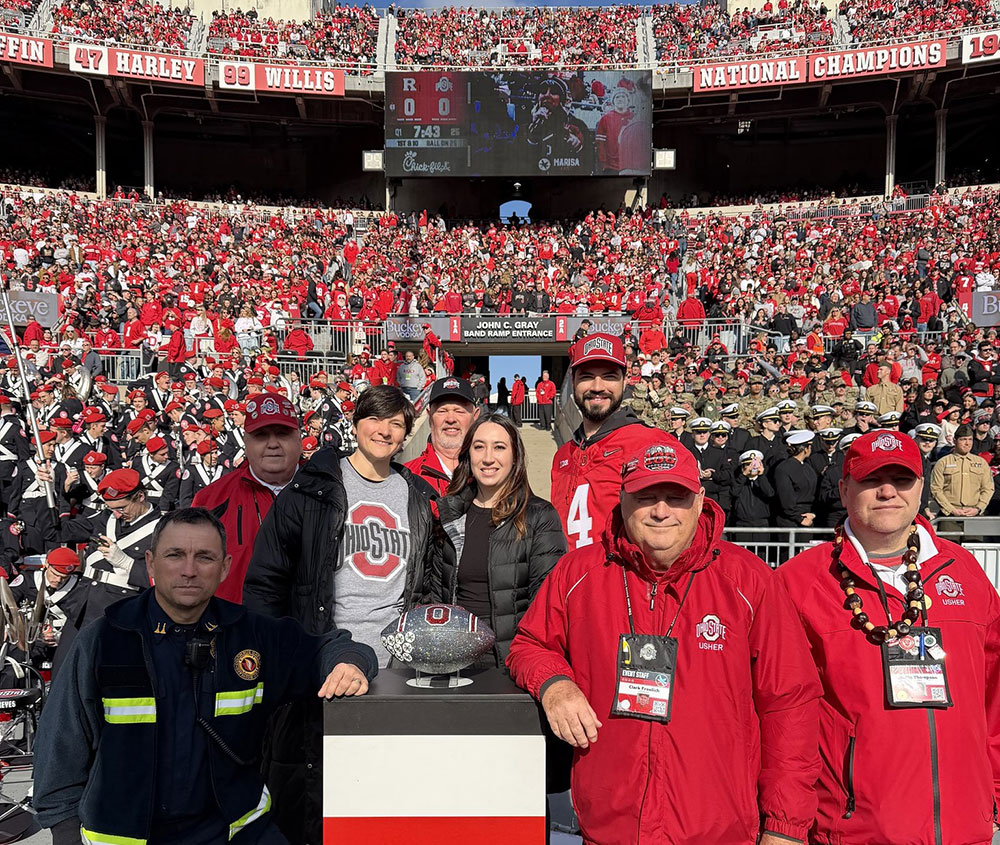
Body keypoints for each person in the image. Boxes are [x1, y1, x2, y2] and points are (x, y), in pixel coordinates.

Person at [507, 441, 821, 844]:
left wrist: (786, 828)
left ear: (700, 500)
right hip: (609, 828)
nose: (660, 511)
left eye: (676, 497)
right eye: (645, 497)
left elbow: (790, 703)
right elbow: (530, 645)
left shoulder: (749, 580)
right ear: (621, 499)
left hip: (718, 830)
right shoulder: (578, 573)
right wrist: (555, 685)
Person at [34, 508, 378, 845]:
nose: (189, 570)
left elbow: (333, 649)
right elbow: (60, 747)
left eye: (205, 558)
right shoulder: (104, 639)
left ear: (225, 568)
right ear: (150, 563)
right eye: (175, 555)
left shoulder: (252, 635)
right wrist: (65, 832)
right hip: (125, 836)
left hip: (237, 831)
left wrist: (348, 663)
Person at [773, 430, 1000, 845]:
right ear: (844, 489)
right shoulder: (798, 583)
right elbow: (783, 717)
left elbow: (996, 697)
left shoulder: (964, 571)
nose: (887, 492)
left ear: (921, 488)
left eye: (901, 479)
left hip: (967, 826)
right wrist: (783, 825)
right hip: (855, 830)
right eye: (871, 480)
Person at [244, 385, 439, 845]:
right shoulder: (310, 489)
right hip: (321, 663)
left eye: (396, 424)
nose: (385, 431)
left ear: (407, 434)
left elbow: (426, 580)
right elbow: (265, 584)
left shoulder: (416, 495)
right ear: (355, 423)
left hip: (395, 667)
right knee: (317, 799)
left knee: (384, 799)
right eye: (375, 419)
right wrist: (278, 659)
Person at [435, 413, 567, 662]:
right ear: (468, 455)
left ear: (514, 456)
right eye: (479, 447)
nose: (487, 458)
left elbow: (547, 605)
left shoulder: (540, 517)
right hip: (453, 659)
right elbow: (435, 595)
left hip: (511, 661)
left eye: (499, 447)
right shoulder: (450, 515)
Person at [552, 333, 673, 550]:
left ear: (626, 381)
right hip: (569, 578)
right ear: (573, 381)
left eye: (609, 376)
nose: (597, 386)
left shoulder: (652, 443)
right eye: (587, 376)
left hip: (622, 581)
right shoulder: (562, 456)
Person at [193, 393, 302, 603]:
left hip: (310, 630)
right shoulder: (210, 500)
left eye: (282, 433)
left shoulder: (330, 492)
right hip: (236, 627)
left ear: (299, 437)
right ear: (246, 441)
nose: (272, 444)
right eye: (261, 435)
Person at [405, 376, 479, 498]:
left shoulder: (491, 474)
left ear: (475, 416)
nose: (450, 419)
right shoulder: (406, 477)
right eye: (442, 411)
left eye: (459, 411)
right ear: (429, 416)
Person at [931, 423, 995, 520]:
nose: (967, 443)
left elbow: (988, 488)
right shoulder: (943, 462)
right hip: (950, 516)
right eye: (963, 439)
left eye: (970, 439)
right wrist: (951, 509)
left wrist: (978, 508)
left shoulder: (981, 463)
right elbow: (935, 489)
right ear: (954, 441)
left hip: (974, 515)